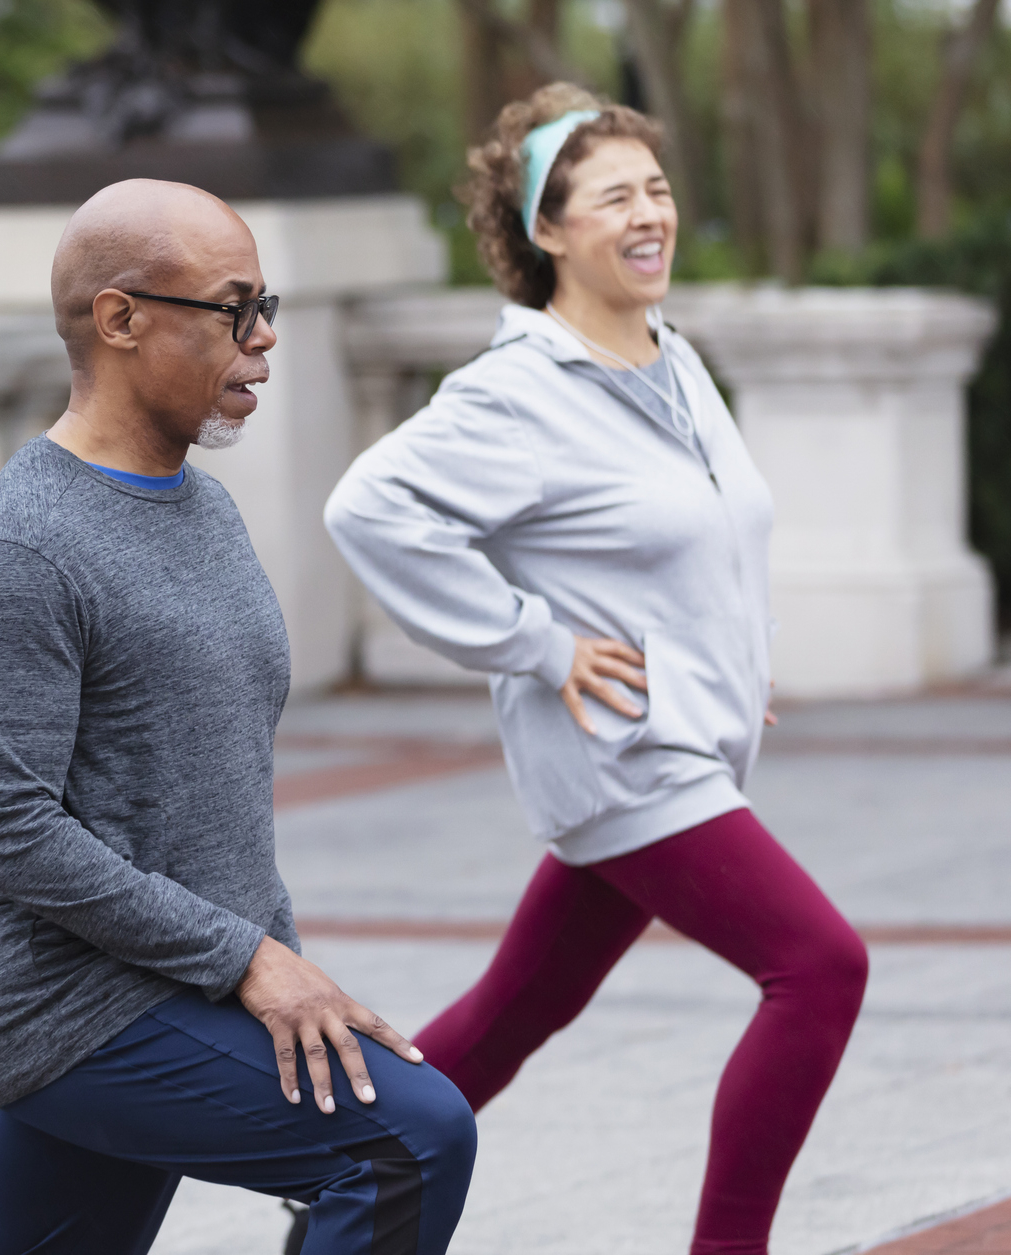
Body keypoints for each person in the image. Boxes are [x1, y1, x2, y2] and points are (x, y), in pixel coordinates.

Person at [323, 84, 868, 1255]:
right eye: (614, 195)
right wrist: (535, 640)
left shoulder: (672, 359)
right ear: (548, 230)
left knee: (522, 1008)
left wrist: (725, 658)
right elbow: (367, 506)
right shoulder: (517, 392)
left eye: (657, 189)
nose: (648, 213)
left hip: (680, 735)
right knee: (820, 967)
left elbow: (702, 536)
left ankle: (344, 1182)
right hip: (628, 754)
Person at [0, 178, 477, 1256]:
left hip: (182, 975)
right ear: (121, 319)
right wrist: (250, 961)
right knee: (410, 1140)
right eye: (234, 308)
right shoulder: (21, 549)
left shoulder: (206, 509)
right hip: (68, 1005)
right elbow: (2, 826)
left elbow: (213, 784)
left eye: (264, 303)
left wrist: (277, 955)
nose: (266, 337)